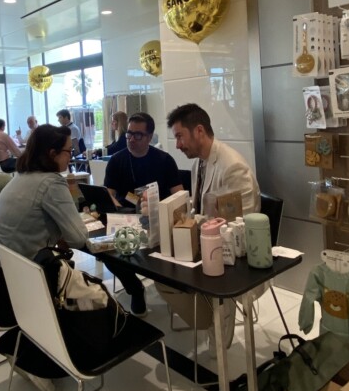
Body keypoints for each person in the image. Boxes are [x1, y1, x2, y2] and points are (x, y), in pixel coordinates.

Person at [0, 123, 89, 391]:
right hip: (5, 284)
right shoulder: (51, 182)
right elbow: (77, 237)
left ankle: (29, 349)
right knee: (72, 287)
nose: (70, 156)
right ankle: (33, 358)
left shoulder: (21, 176)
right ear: (52, 154)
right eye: (67, 151)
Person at [166, 103, 261, 354]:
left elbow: (239, 225)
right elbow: (200, 209)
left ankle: (214, 321)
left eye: (179, 136)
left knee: (175, 277)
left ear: (199, 131)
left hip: (234, 254)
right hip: (208, 243)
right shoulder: (200, 163)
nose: (177, 145)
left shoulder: (232, 167)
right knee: (165, 276)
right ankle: (206, 317)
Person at [104, 112, 183, 317]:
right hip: (126, 221)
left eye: (137, 135)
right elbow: (109, 194)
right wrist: (117, 208)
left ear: (149, 137)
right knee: (106, 254)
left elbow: (179, 197)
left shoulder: (164, 160)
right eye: (129, 134)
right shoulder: (117, 160)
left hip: (158, 223)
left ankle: (172, 290)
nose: (131, 139)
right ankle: (135, 289)